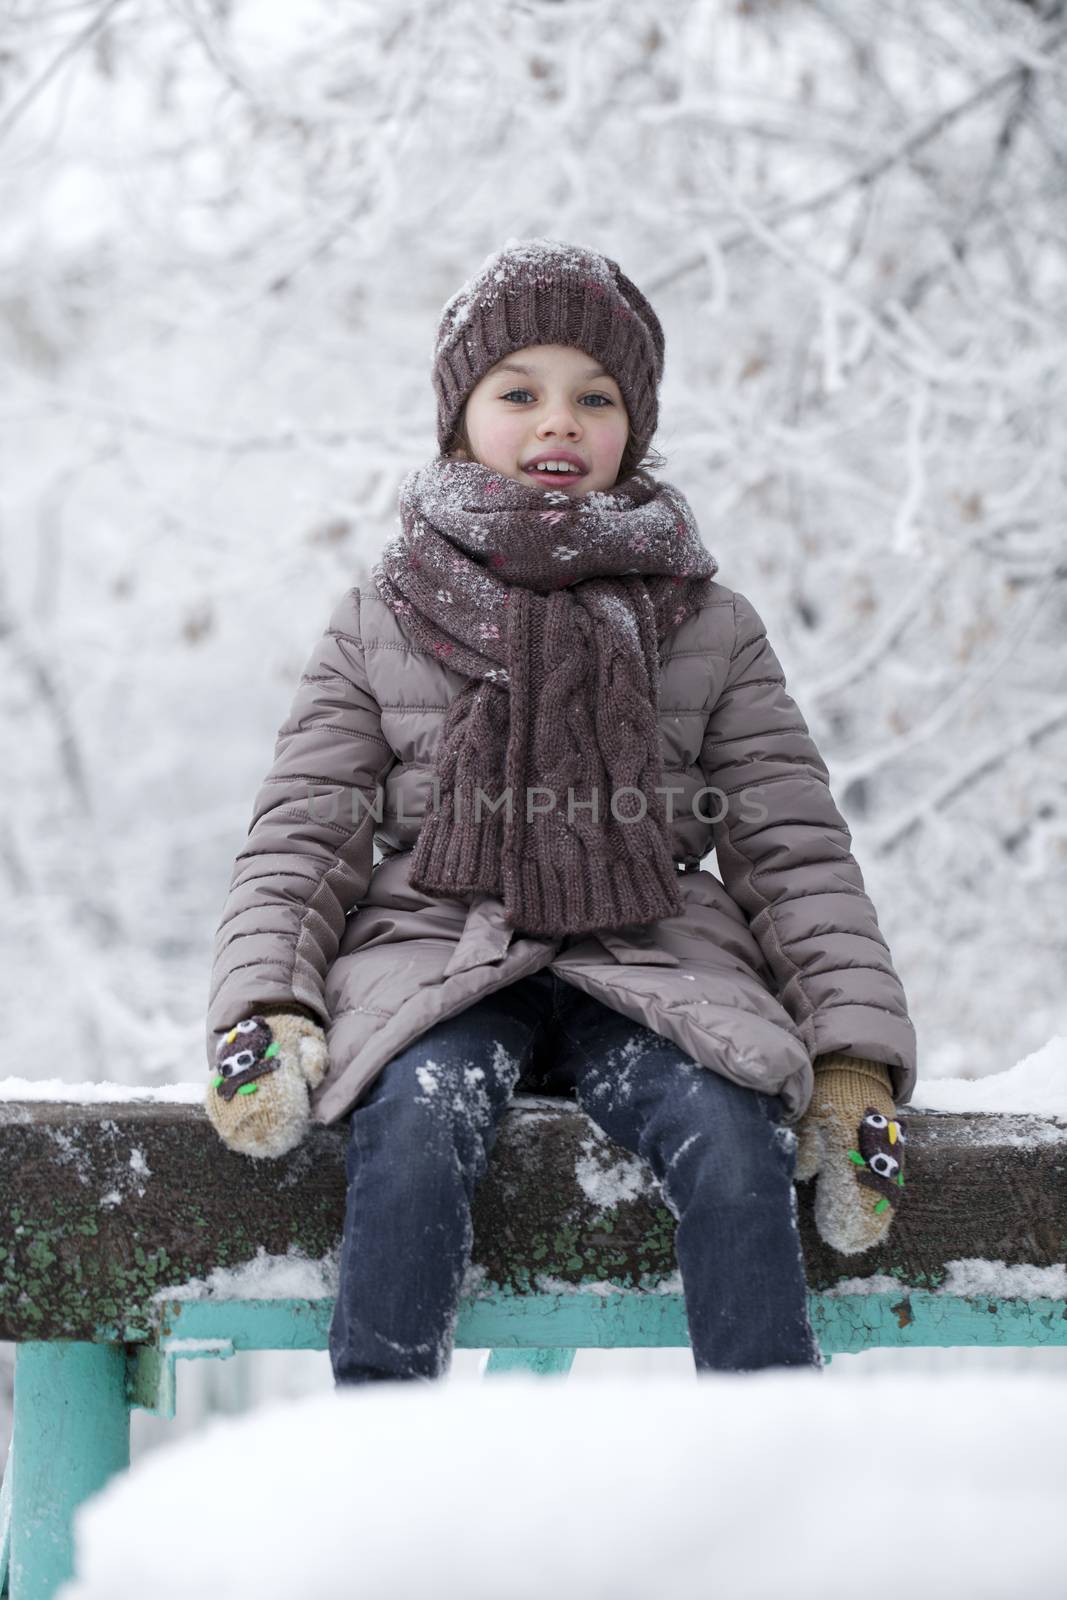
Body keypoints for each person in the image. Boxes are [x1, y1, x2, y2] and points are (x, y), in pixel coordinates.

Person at [204, 238, 916, 1382]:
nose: (557, 422)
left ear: (632, 426)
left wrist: (850, 1057)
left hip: (653, 957)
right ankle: (380, 1476)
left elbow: (790, 848)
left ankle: (774, 1475)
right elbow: (306, 826)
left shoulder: (706, 623)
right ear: (459, 418)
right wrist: (266, 1005)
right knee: (418, 1119)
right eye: (517, 392)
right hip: (440, 951)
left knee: (734, 1139)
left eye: (595, 397)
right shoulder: (381, 613)